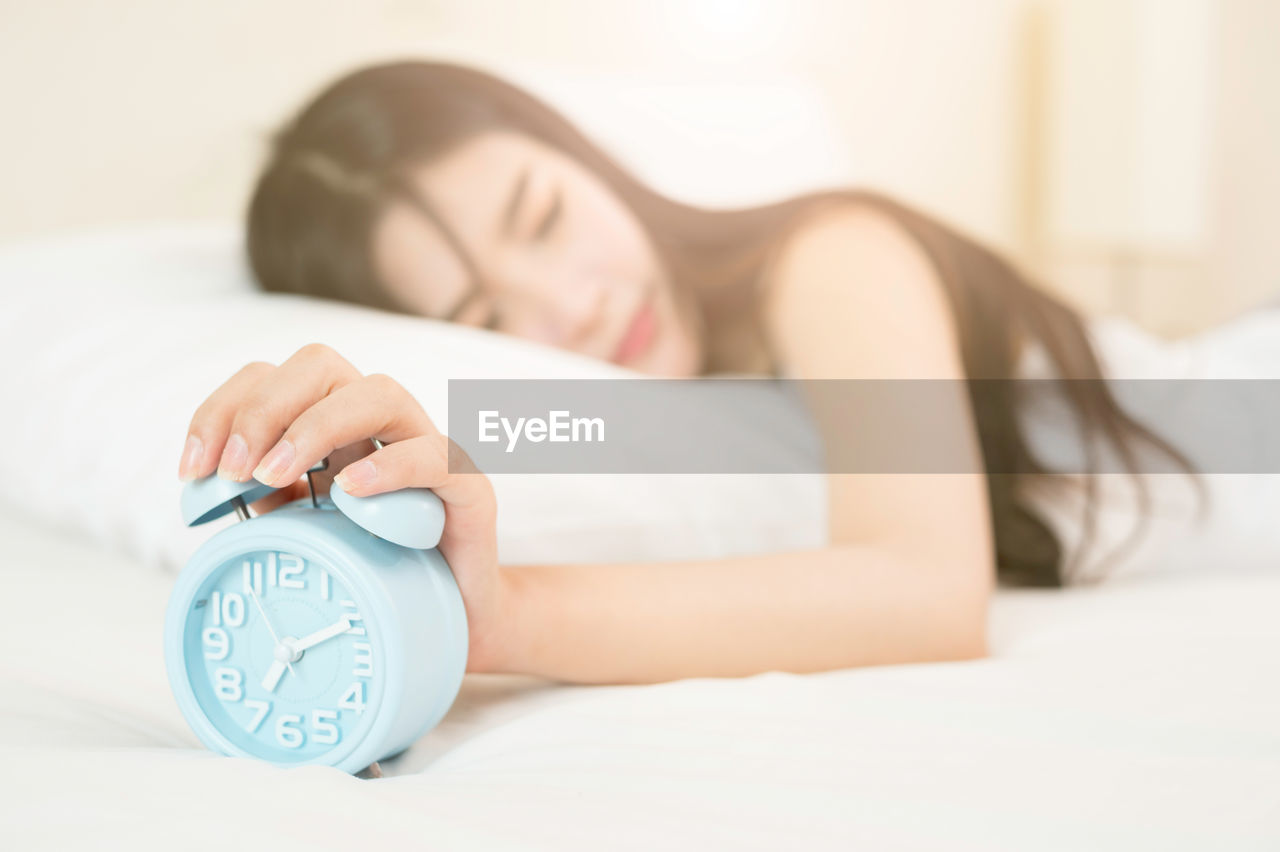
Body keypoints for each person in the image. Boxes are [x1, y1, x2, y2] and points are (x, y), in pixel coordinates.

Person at [175, 60, 1194, 684]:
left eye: (545, 216)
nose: (570, 304)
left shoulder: (829, 253)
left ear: (584, 157)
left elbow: (925, 590)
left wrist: (506, 614)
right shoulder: (657, 415)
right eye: (486, 321)